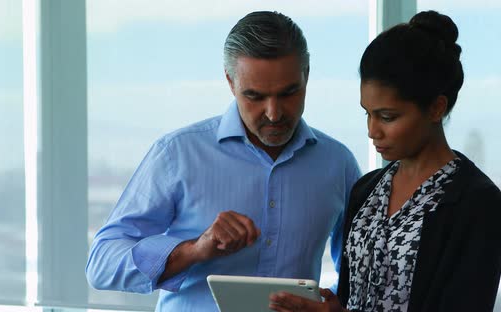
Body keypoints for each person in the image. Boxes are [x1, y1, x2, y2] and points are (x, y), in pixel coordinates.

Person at [85, 11, 362, 312]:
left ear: (306, 75)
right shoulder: (178, 154)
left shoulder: (338, 163)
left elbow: (359, 273)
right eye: (255, 96)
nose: (273, 113)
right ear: (231, 82)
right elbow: (101, 264)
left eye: (288, 93)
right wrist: (193, 251)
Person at [269, 10, 501, 312]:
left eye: (387, 117)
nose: (372, 130)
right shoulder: (366, 190)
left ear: (436, 108)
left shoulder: (475, 201)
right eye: (367, 113)